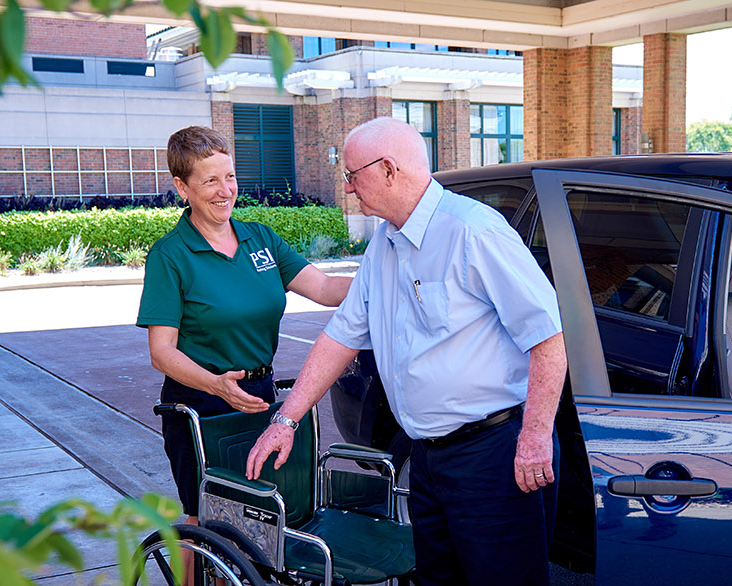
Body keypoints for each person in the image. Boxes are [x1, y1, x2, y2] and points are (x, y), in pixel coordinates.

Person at [245, 117, 568, 586]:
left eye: (352, 174)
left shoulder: (472, 232)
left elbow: (548, 339)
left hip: (493, 456)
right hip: (429, 459)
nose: (349, 188)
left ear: (389, 169)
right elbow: (342, 336)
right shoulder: (385, 243)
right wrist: (285, 420)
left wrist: (536, 439)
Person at [136, 126, 351, 527]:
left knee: (258, 517)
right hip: (201, 404)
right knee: (204, 519)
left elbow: (324, 287)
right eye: (210, 181)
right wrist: (216, 384)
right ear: (183, 188)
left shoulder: (260, 238)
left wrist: (390, 280)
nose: (225, 190)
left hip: (259, 397)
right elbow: (161, 352)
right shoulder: (171, 255)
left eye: (230, 177)